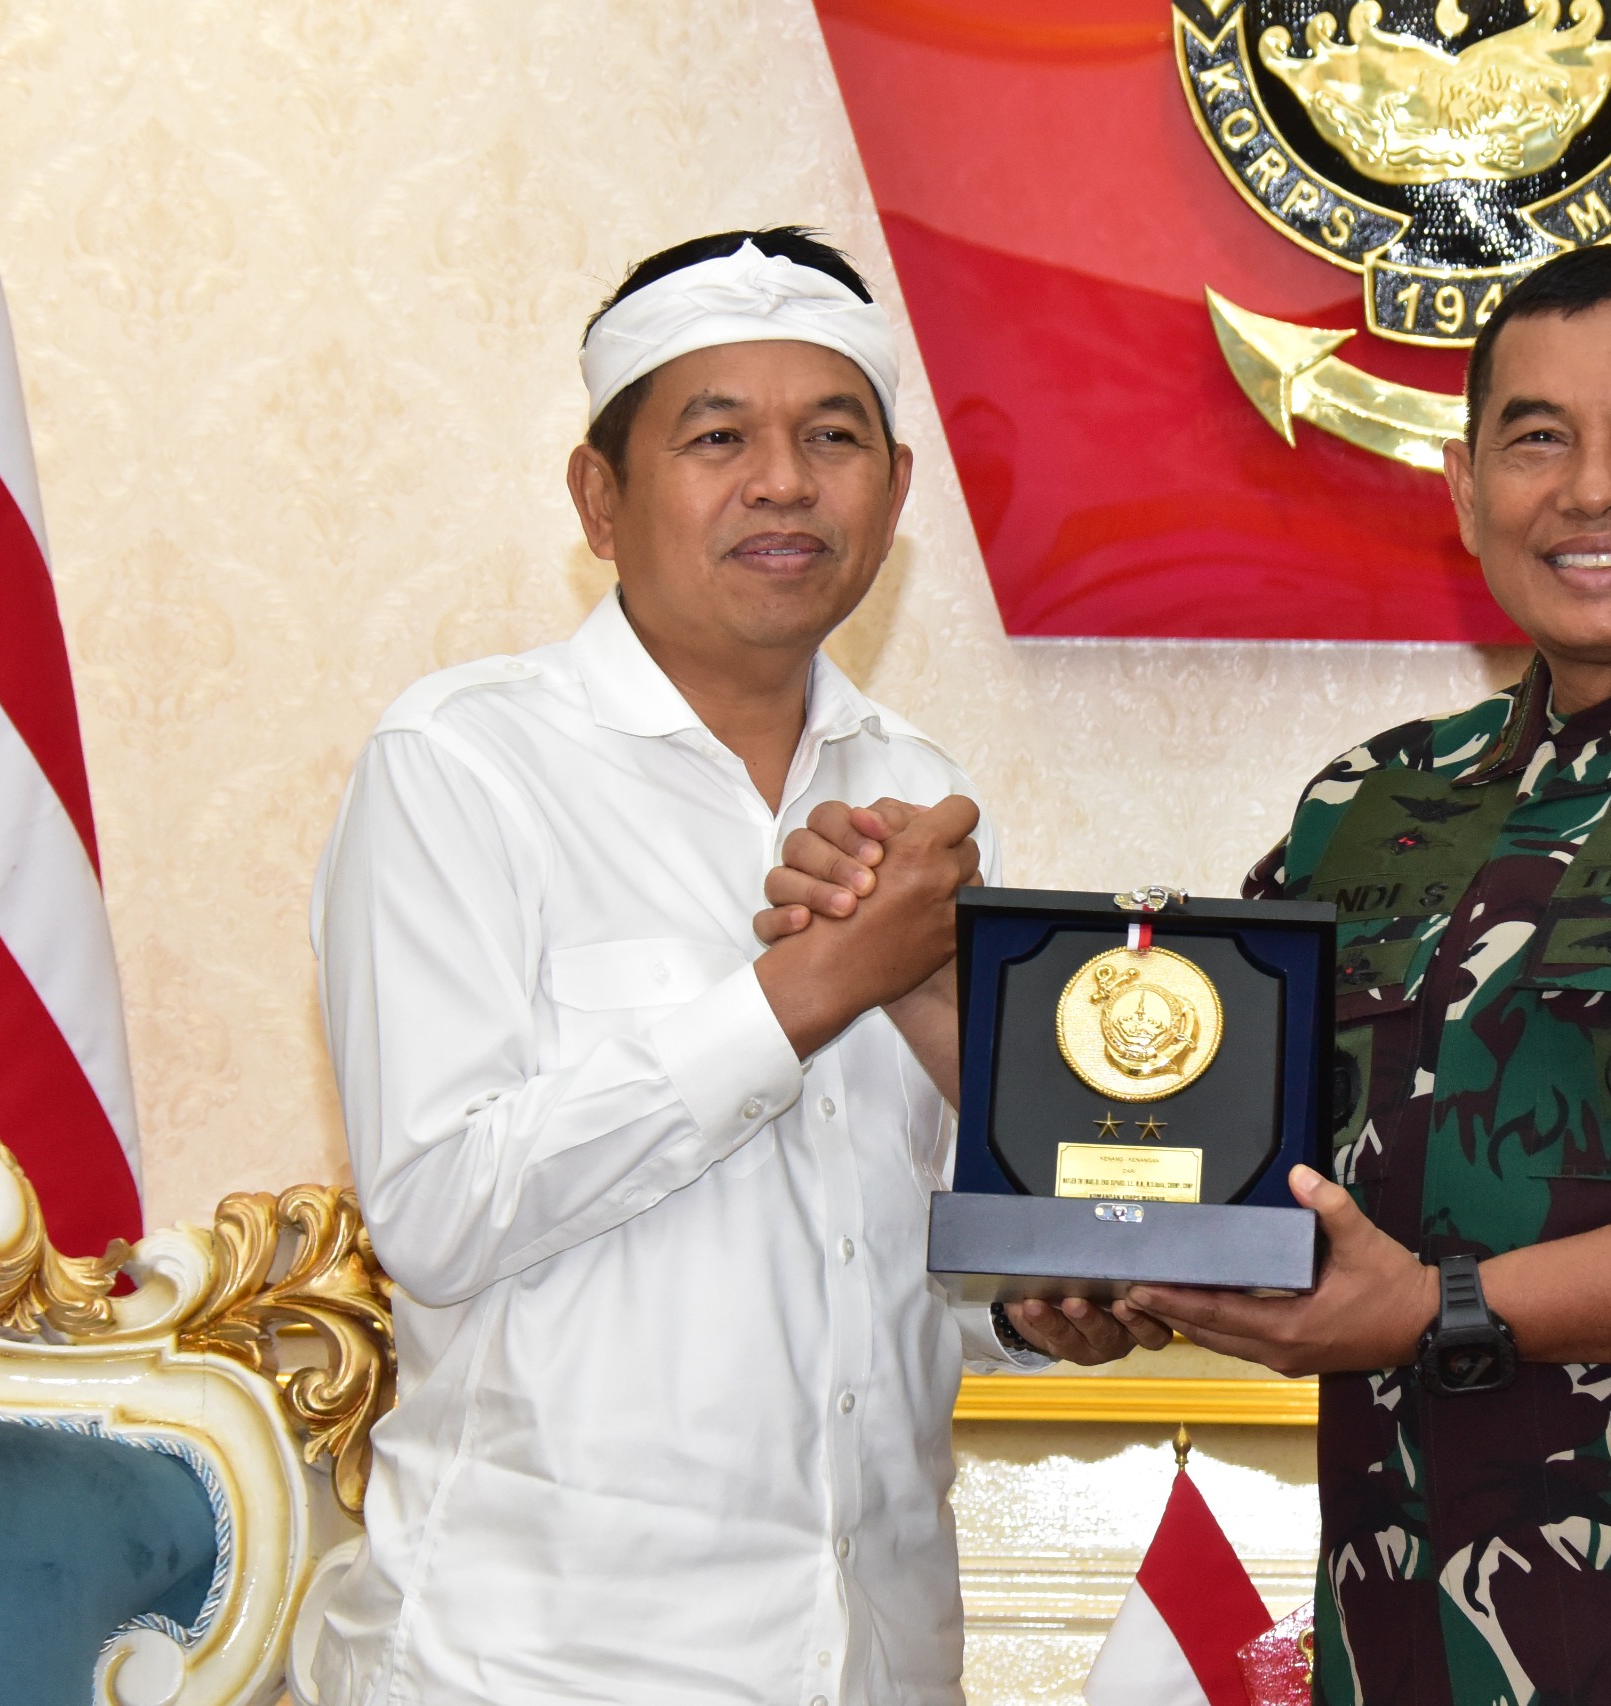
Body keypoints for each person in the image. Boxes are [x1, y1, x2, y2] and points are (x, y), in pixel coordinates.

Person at [766, 244, 1611, 1703]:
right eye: (1537, 439)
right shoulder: (1369, 808)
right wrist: (910, 972)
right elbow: (1217, 1154)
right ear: (1465, 490)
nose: (1592, 489)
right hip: (1413, 1654)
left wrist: (1446, 1304)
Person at [303, 227, 1162, 1706]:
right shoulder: (461, 762)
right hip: (539, 1664)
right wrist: (810, 989)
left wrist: (1021, 1307)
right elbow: (438, 1210)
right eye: (717, 438)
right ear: (599, 497)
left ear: (895, 490)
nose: (783, 482)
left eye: (832, 436)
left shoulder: (919, 792)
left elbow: (883, 1250)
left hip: (875, 1658)